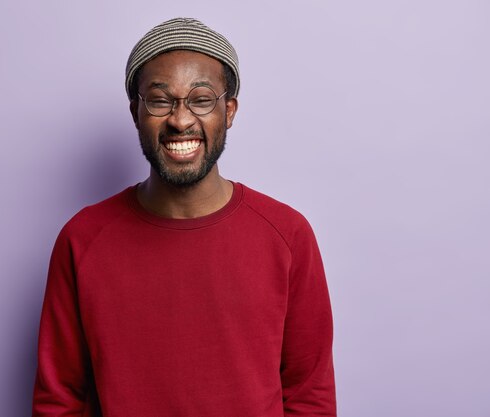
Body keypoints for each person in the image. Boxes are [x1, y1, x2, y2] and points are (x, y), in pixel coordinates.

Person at [32, 17, 336, 417]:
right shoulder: (83, 239)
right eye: (160, 100)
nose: (180, 119)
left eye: (201, 98)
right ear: (135, 111)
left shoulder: (288, 235)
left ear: (229, 111)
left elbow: (309, 394)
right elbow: (59, 399)